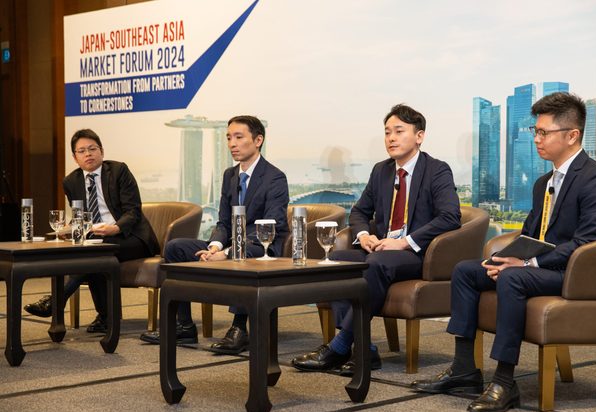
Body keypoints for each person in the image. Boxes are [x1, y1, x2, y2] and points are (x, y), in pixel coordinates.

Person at [410, 92, 596, 412]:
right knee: (467, 270)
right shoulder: (543, 183)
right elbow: (530, 235)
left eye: (543, 132)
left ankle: (505, 382)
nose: (536, 139)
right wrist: (505, 258)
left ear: (572, 134)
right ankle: (464, 370)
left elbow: (586, 243)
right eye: (535, 131)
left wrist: (525, 263)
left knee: (513, 278)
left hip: (574, 274)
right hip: (539, 267)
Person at [292, 104, 461, 375]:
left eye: (399, 131)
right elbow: (359, 210)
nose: (391, 138)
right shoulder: (381, 171)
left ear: (419, 136)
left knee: (376, 263)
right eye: (387, 133)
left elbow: (450, 217)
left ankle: (339, 345)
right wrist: (364, 234)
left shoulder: (437, 170)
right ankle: (366, 349)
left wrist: (405, 241)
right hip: (380, 249)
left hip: (418, 254)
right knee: (336, 260)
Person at [140, 115, 289, 353]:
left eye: (239, 137)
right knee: (175, 248)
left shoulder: (274, 177)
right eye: (229, 138)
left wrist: (230, 251)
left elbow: (270, 225)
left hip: (261, 246)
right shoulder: (230, 175)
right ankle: (184, 326)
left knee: (242, 254)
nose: (232, 143)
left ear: (258, 140)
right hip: (231, 244)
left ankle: (239, 328)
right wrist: (216, 247)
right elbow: (223, 221)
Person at [24, 129, 160, 333]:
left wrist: (114, 228)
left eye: (92, 149)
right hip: (98, 237)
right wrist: (70, 229)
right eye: (82, 151)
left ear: (101, 151)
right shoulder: (71, 182)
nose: (88, 154)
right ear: (75, 157)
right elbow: (81, 216)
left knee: (95, 252)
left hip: (132, 238)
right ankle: (105, 317)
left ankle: (56, 301)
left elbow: (133, 211)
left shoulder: (118, 171)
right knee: (91, 253)